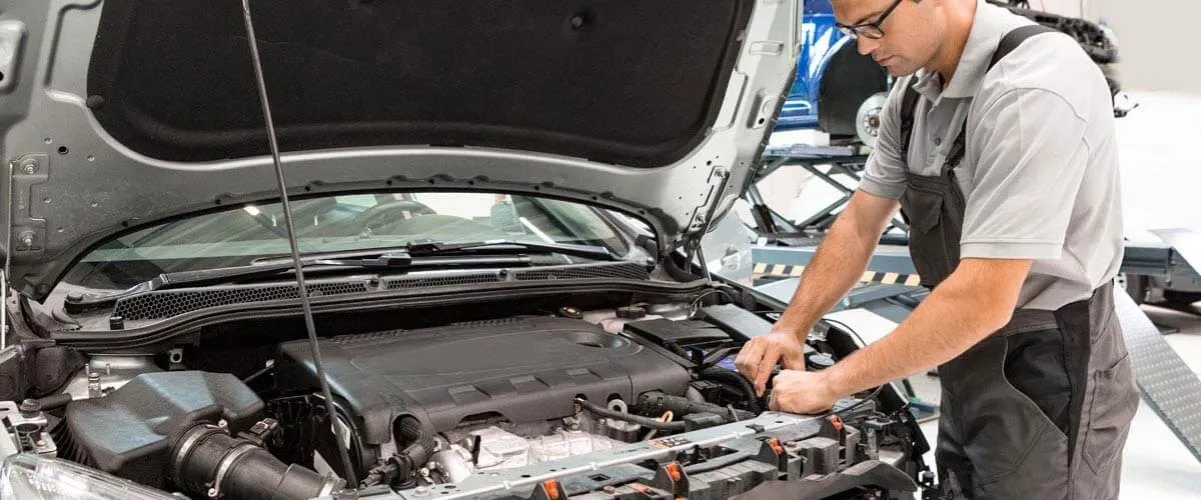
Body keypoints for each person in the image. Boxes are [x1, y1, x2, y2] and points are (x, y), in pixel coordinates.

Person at [734, 0, 1139, 498]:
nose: (863, 48)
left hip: (1048, 363)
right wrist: (792, 327)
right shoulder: (914, 93)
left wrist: (831, 383)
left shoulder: (1031, 88)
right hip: (960, 345)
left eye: (873, 26)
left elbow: (984, 298)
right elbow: (862, 221)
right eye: (850, 30)